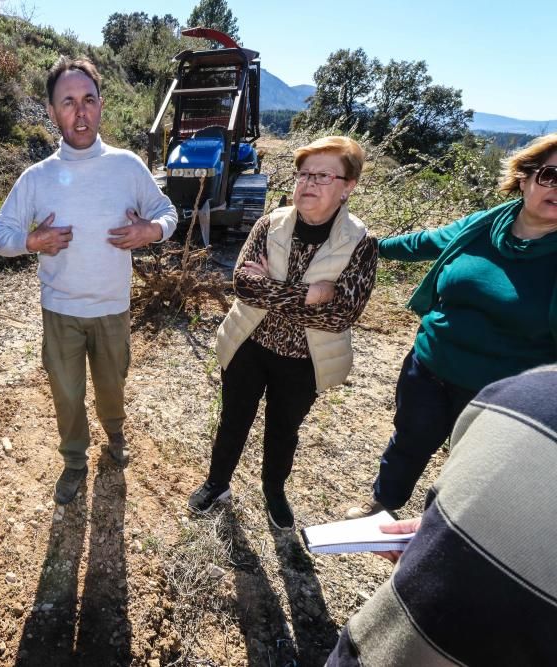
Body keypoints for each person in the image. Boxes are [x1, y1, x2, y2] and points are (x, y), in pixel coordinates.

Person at [0, 57, 177, 505]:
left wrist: (151, 231)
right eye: (68, 102)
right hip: (61, 311)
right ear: (52, 112)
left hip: (112, 308)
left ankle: (115, 434)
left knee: (112, 387)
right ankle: (74, 460)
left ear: (101, 106)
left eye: (88, 100)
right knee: (67, 396)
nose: (80, 112)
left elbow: (168, 212)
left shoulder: (127, 166)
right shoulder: (37, 177)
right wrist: (34, 240)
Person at [346, 133, 557, 520]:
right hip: (429, 365)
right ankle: (383, 502)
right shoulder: (484, 226)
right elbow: (424, 242)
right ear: (525, 177)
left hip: (501, 392)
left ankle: (438, 532)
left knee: (473, 467)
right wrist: (363, 246)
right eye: (552, 175)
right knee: (409, 437)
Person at [187, 136, 378, 529]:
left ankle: (273, 489)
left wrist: (273, 290)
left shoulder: (360, 241)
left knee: (283, 429)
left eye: (323, 176)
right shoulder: (269, 223)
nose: (308, 183)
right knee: (233, 420)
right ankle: (217, 483)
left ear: (348, 187)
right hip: (250, 344)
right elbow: (243, 285)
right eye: (304, 174)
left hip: (305, 359)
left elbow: (341, 314)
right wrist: (310, 295)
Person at [327, 364, 557, 666]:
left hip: (382, 650)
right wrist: (448, 531)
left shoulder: (524, 396)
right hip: (376, 648)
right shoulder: (521, 397)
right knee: (408, 444)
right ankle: (383, 500)